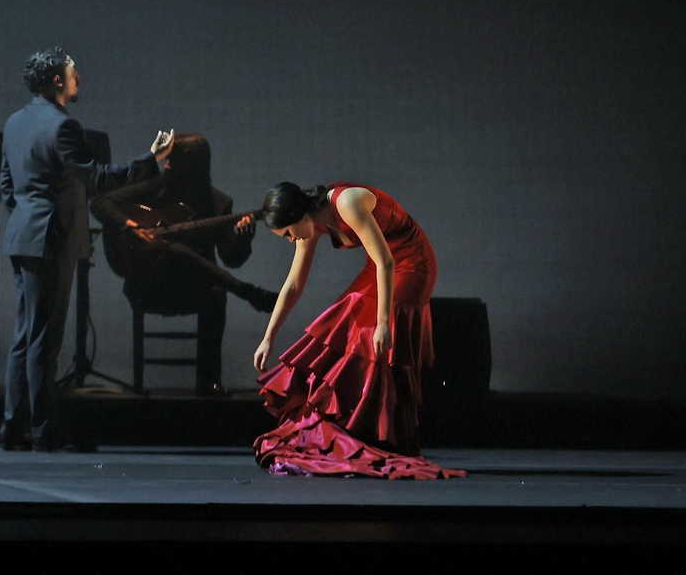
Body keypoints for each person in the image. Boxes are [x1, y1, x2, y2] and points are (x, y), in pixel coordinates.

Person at [0, 47, 170, 451]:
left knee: (25, 336)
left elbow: (7, 185)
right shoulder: (63, 127)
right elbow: (98, 179)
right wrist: (151, 159)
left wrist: (27, 215)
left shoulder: (14, 122)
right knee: (43, 339)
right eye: (74, 73)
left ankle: (13, 427)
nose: (79, 79)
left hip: (24, 235)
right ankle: (43, 431)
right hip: (48, 238)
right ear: (57, 80)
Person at [251, 181, 464, 479]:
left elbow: (386, 261)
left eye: (287, 233)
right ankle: (352, 433)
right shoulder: (308, 225)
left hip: (410, 264)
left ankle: (373, 436)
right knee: (343, 324)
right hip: (381, 266)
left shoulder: (346, 203)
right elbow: (294, 284)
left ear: (300, 216)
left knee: (366, 338)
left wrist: (382, 323)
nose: (290, 239)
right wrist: (267, 338)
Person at [90, 133, 275, 395]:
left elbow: (231, 259)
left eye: (172, 161)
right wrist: (131, 227)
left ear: (192, 167)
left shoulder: (218, 204)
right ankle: (249, 292)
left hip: (192, 289)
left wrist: (244, 241)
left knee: (216, 293)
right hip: (150, 284)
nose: (166, 166)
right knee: (172, 249)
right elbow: (99, 203)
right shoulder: (156, 187)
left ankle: (209, 382)